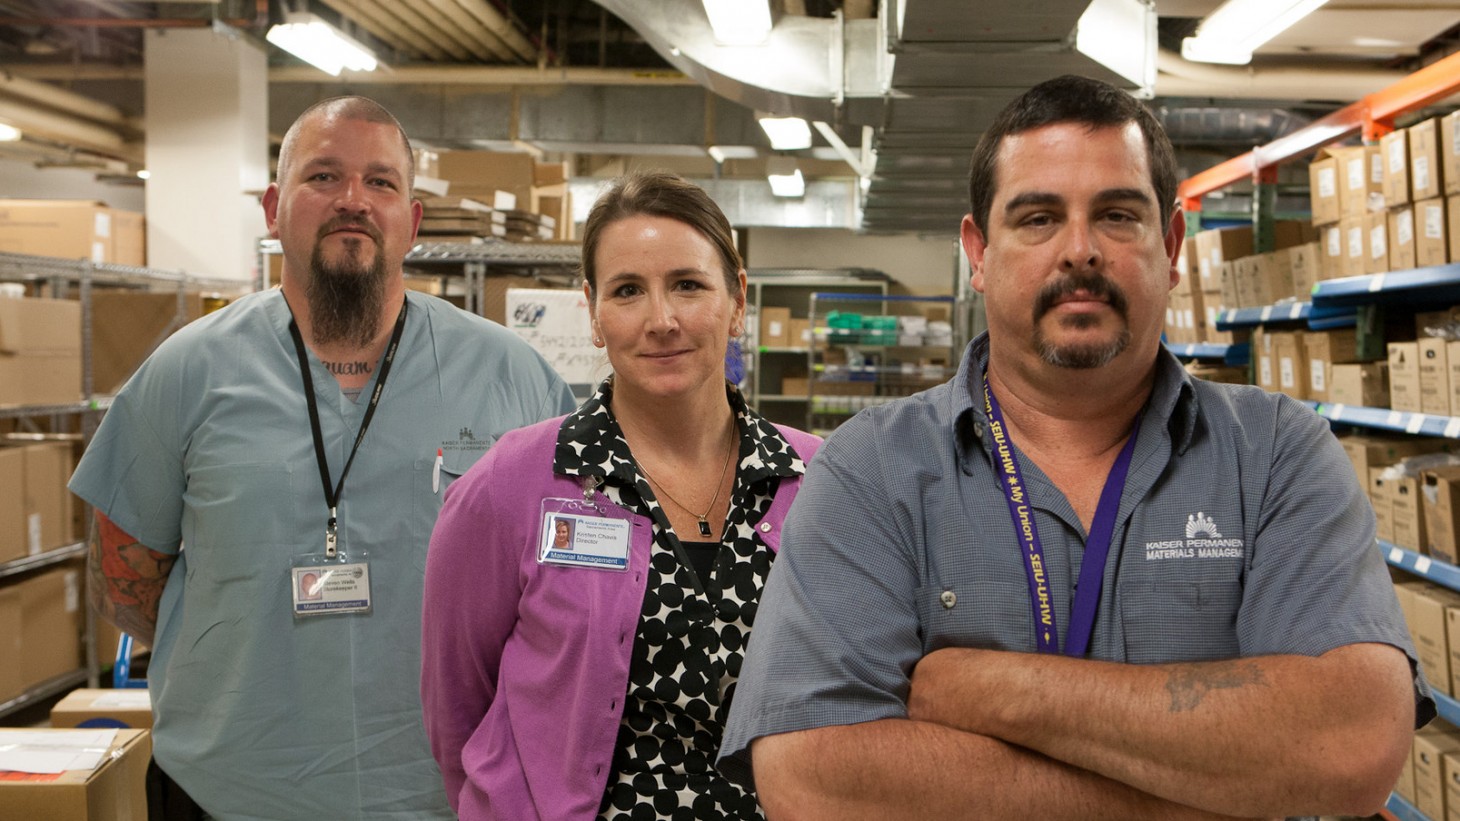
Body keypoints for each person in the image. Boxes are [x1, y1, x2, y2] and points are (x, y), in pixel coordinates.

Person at [718, 75, 1432, 820]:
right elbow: (813, 778)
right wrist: (1207, 791)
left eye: (1118, 215)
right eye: (1038, 218)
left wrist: (990, 687)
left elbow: (1352, 740)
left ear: (1171, 244)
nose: (1081, 250)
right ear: (979, 251)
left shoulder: (1277, 451)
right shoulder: (871, 469)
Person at [69, 96, 575, 820]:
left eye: (380, 182)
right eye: (323, 177)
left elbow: (561, 589)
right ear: (274, 209)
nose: (352, 201)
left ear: (413, 220)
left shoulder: (512, 376)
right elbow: (123, 576)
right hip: (230, 788)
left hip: (447, 793)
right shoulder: (186, 372)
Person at [421, 170, 821, 820]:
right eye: (628, 291)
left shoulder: (816, 481)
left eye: (688, 285)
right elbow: (456, 706)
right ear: (595, 312)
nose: (661, 320)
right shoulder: (514, 483)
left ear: (738, 298)